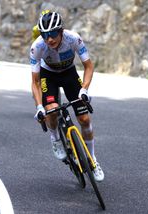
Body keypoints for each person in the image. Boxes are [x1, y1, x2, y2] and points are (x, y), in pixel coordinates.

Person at [30, 11, 104, 182]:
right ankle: (55, 138)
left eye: (53, 34)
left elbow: (88, 66)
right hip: (48, 75)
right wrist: (39, 107)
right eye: (45, 35)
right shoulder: (37, 47)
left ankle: (92, 159)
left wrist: (84, 89)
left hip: (69, 73)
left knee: (84, 119)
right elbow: (34, 82)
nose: (49, 39)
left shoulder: (73, 39)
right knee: (52, 111)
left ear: (61, 31)